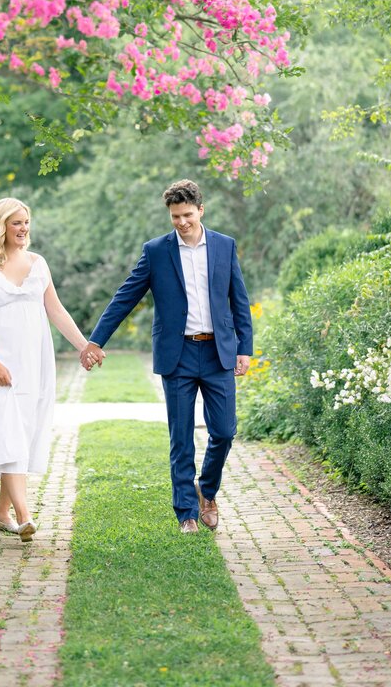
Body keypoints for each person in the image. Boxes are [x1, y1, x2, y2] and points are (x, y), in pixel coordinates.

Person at [80, 179, 252, 534]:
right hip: (179, 355)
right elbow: (125, 297)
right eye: (175, 216)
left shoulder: (224, 246)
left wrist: (244, 348)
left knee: (224, 431)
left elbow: (239, 300)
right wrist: (96, 341)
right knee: (181, 436)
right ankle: (186, 512)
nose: (182, 222)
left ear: (200, 210)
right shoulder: (156, 251)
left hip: (219, 351)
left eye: (187, 214)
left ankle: (208, 489)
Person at [0, 196, 92, 541]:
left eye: (26, 223)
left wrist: (84, 346)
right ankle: (24, 515)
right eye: (16, 223)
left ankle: (2, 514)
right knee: (8, 431)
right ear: (1, 225)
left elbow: (56, 311)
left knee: (21, 431)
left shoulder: (38, 263)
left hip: (33, 361)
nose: (23, 229)